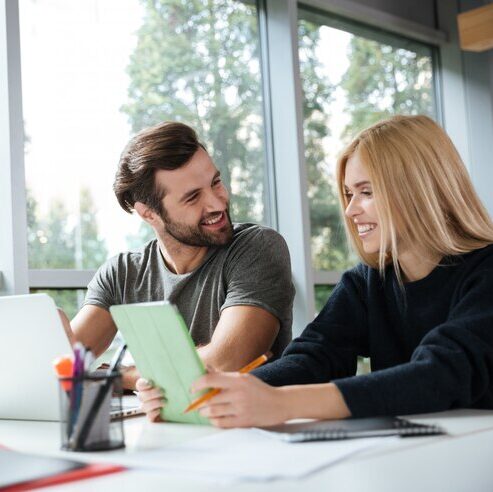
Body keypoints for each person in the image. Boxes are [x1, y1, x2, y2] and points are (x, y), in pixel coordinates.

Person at [166, 114, 493, 428]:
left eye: (367, 192)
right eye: (349, 195)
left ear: (420, 190)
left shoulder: (486, 272)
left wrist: (284, 403)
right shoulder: (366, 282)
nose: (350, 210)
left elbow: (440, 374)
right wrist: (220, 392)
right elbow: (315, 355)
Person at [69, 121, 294, 392]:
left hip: (246, 428)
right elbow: (67, 365)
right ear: (148, 213)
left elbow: (226, 363)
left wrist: (125, 376)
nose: (217, 203)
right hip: (158, 427)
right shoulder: (122, 274)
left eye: (216, 182)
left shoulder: (257, 248)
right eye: (192, 198)